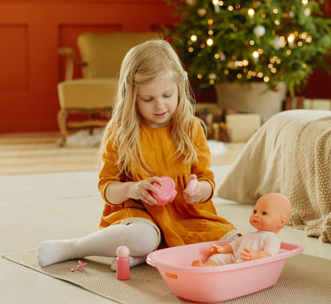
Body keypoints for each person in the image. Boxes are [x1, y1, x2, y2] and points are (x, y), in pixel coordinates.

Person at [38, 39, 238, 270]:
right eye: (148, 99)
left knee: (232, 241)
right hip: (139, 216)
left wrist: (198, 190)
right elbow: (108, 188)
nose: (160, 106)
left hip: (187, 216)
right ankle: (75, 247)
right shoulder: (121, 130)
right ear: (132, 96)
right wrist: (133, 189)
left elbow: (207, 181)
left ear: (179, 89)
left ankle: (144, 255)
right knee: (142, 238)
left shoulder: (191, 128)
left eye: (167, 95)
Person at [192, 193, 291, 267]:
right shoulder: (249, 235)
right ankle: (205, 267)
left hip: (250, 264)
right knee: (219, 257)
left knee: (237, 264)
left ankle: (218, 274)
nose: (256, 215)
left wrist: (257, 255)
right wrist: (222, 249)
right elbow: (234, 245)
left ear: (281, 222)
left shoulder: (272, 238)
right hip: (235, 259)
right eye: (255, 211)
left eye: (264, 213)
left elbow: (270, 254)